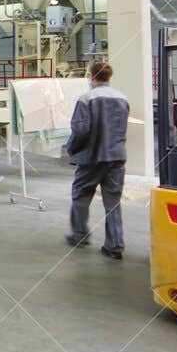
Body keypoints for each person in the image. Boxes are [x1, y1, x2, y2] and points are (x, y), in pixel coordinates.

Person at [65, 61, 130, 259]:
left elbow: (80, 130)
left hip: (92, 157)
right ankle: (115, 245)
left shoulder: (86, 98)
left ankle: (79, 234)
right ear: (108, 77)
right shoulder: (122, 98)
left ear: (92, 76)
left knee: (81, 195)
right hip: (117, 157)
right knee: (113, 202)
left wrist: (72, 149)